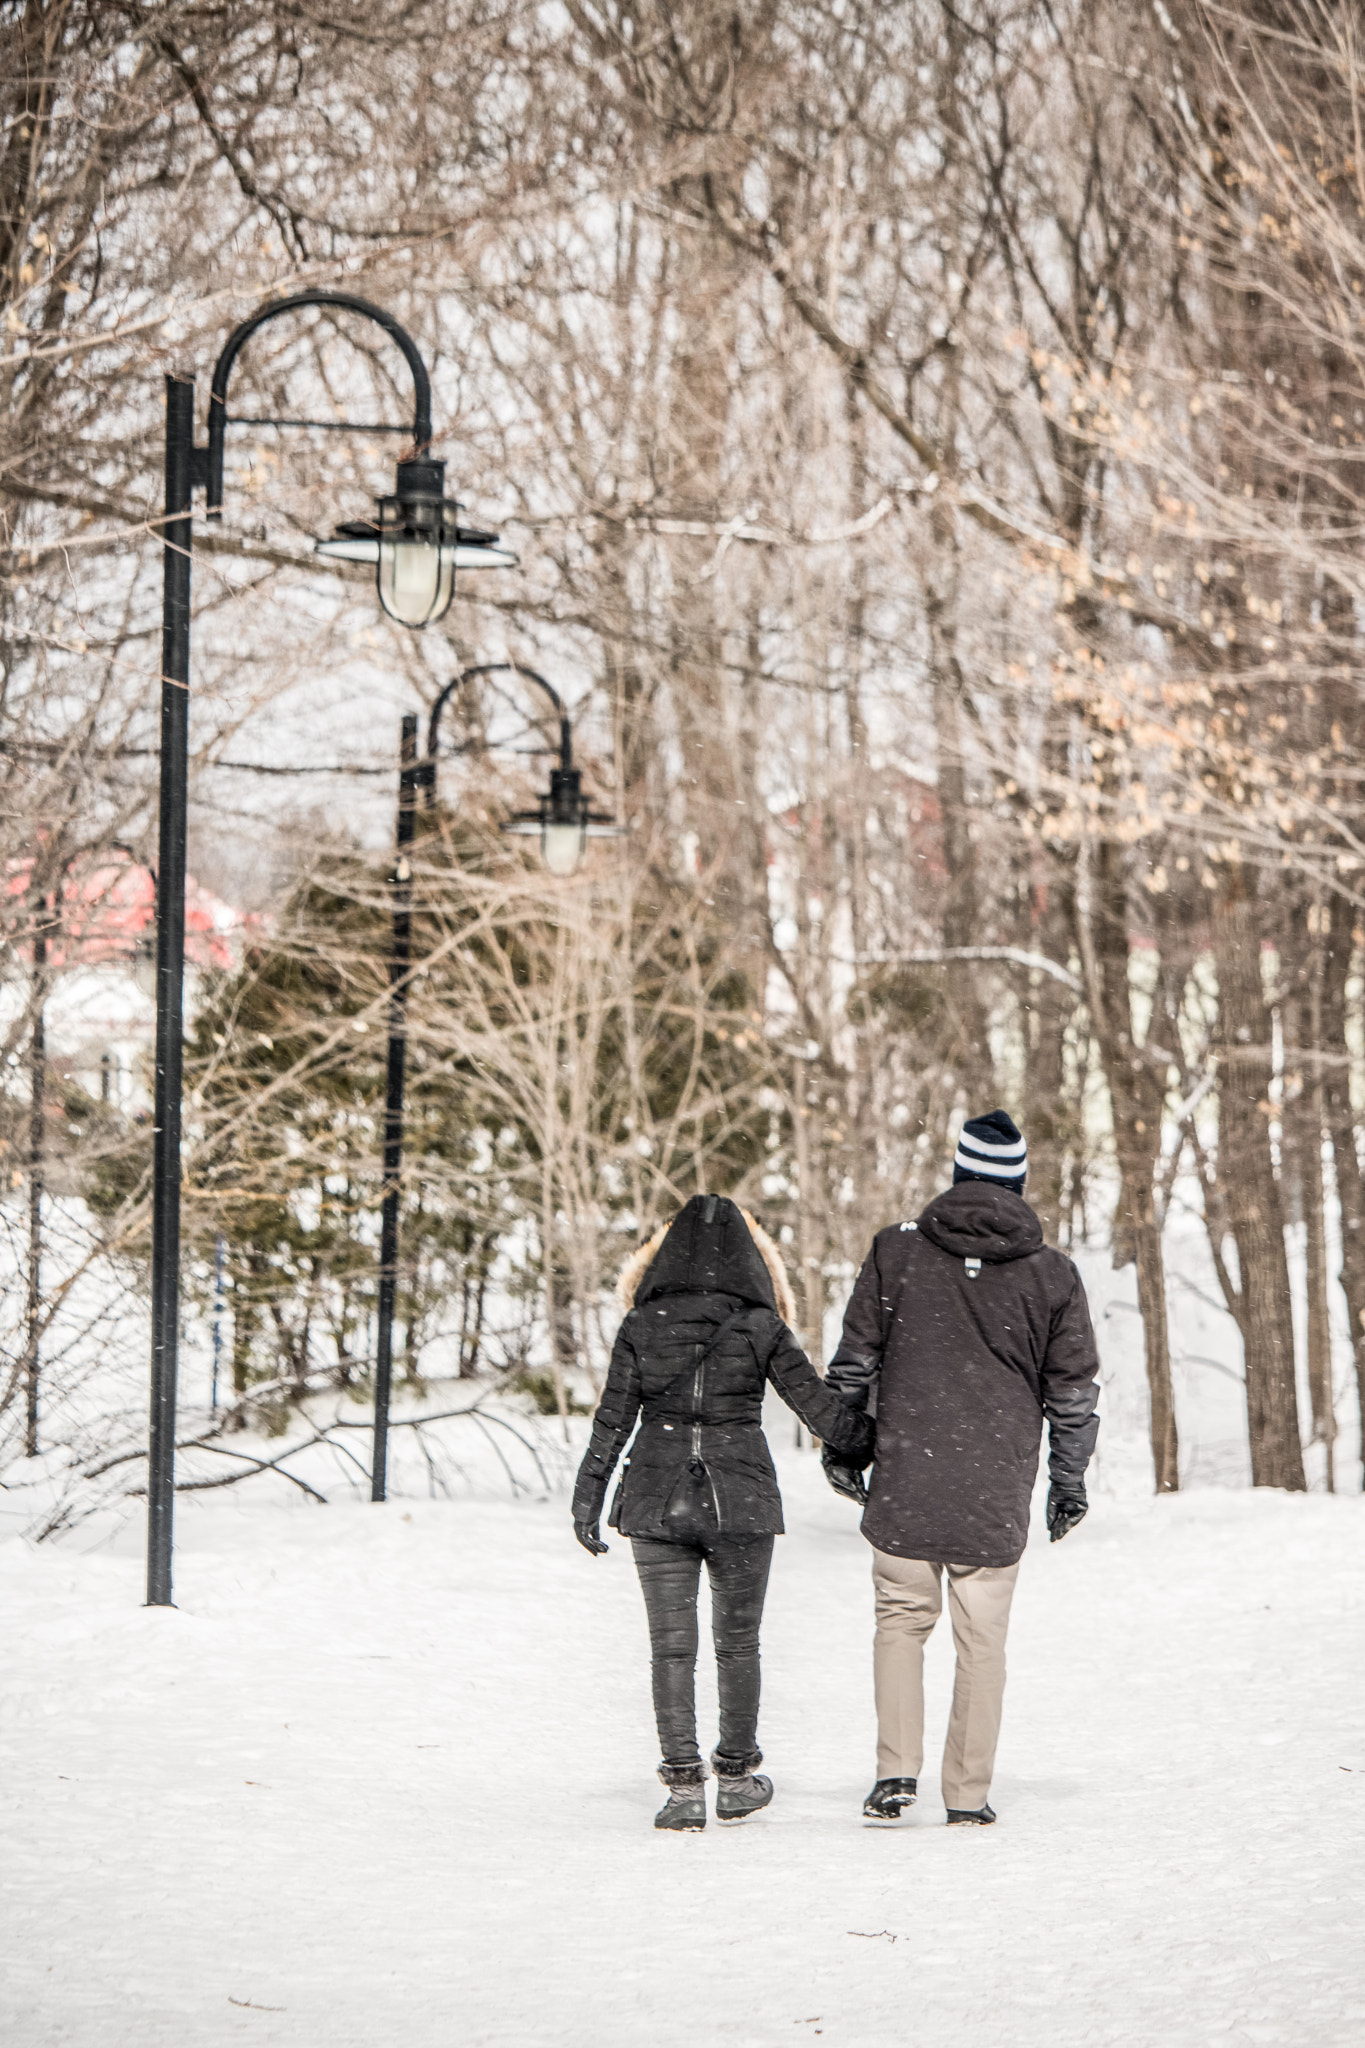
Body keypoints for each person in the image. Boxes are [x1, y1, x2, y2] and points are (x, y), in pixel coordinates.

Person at [822, 1109, 1099, 1827]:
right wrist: (1067, 1482)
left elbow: (853, 1365)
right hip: (993, 1487)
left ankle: (894, 1773)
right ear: (1018, 1183)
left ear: (955, 1176)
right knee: (981, 1642)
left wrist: (844, 1448)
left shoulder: (896, 1253)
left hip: (909, 1473)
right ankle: (967, 1795)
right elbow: (1070, 1394)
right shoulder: (1052, 1275)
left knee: (900, 1622)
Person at [572, 1193, 875, 1832]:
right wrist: (880, 1438)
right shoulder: (762, 1327)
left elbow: (612, 1421)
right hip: (741, 1498)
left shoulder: (642, 1324)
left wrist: (588, 1498)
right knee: (739, 1645)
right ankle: (736, 1778)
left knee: (671, 1650)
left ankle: (683, 1789)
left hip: (655, 1500)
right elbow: (819, 1411)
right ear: (750, 1263)